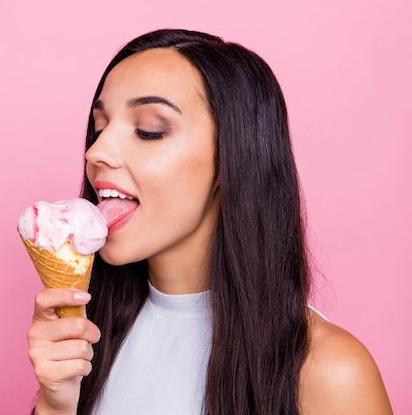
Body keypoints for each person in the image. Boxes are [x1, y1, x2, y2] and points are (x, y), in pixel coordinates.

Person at [26, 29, 392, 414]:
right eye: (99, 128)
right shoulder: (86, 340)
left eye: (150, 129)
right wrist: (55, 404)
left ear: (232, 160)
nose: (96, 152)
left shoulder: (332, 372)